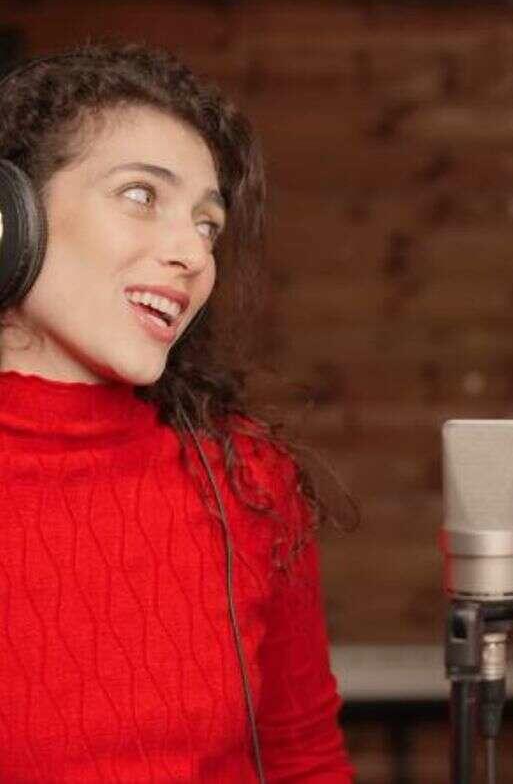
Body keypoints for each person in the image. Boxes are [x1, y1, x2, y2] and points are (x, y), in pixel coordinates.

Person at [0, 43, 355, 780]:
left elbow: (303, 757)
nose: (192, 252)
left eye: (207, 224)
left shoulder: (250, 478)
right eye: (141, 195)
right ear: (11, 217)